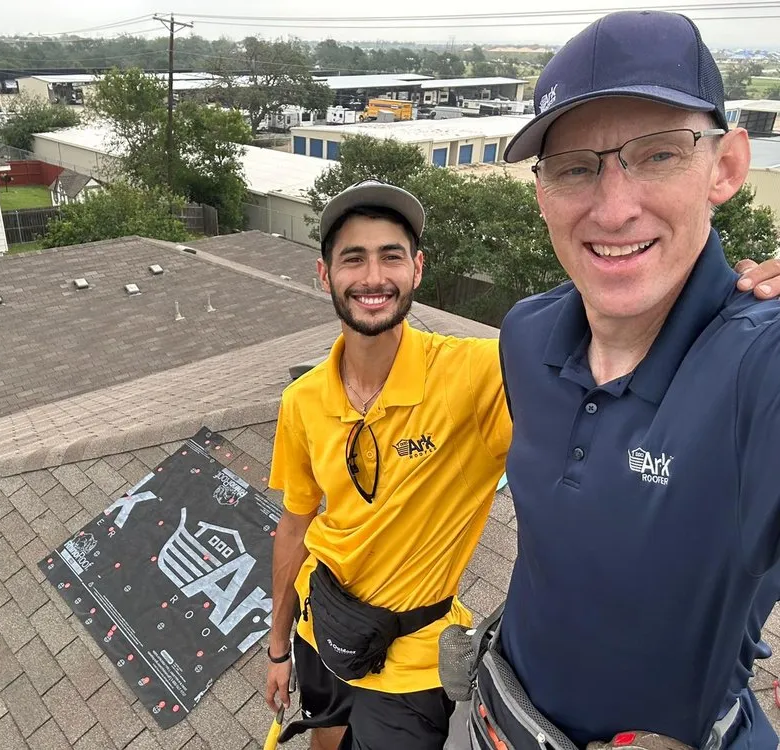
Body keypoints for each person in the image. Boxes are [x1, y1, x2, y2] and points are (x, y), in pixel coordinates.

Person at [464, 9, 780, 750]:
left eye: (658, 154)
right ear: (541, 193)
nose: (613, 207)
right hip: (495, 711)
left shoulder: (757, 371)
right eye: (576, 166)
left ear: (726, 166)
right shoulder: (526, 334)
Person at [265, 179, 512, 750]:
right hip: (320, 624)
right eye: (353, 258)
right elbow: (296, 526)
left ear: (417, 269)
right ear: (325, 276)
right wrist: (278, 647)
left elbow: (600, 349)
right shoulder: (301, 399)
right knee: (323, 740)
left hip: (413, 661)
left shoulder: (478, 374)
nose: (373, 277)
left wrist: (732, 307)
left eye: (391, 256)